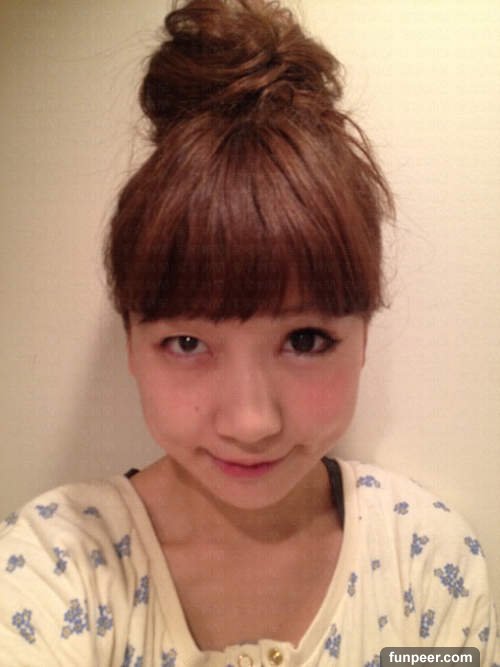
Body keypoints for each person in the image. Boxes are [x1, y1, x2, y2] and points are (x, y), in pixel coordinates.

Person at [1, 1, 498, 665]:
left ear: (363, 336)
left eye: (306, 340)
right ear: (131, 345)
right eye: (187, 343)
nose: (251, 422)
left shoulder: (426, 562)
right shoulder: (55, 564)